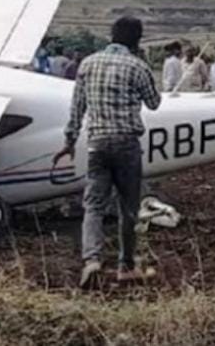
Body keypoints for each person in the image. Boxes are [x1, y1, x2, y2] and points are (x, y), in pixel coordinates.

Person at [53, 16, 161, 287]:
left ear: (111, 36)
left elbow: (77, 108)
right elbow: (154, 102)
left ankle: (92, 259)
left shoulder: (88, 64)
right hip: (126, 143)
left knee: (93, 205)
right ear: (137, 40)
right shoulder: (137, 66)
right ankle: (126, 265)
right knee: (128, 208)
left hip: (97, 144)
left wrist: (69, 141)